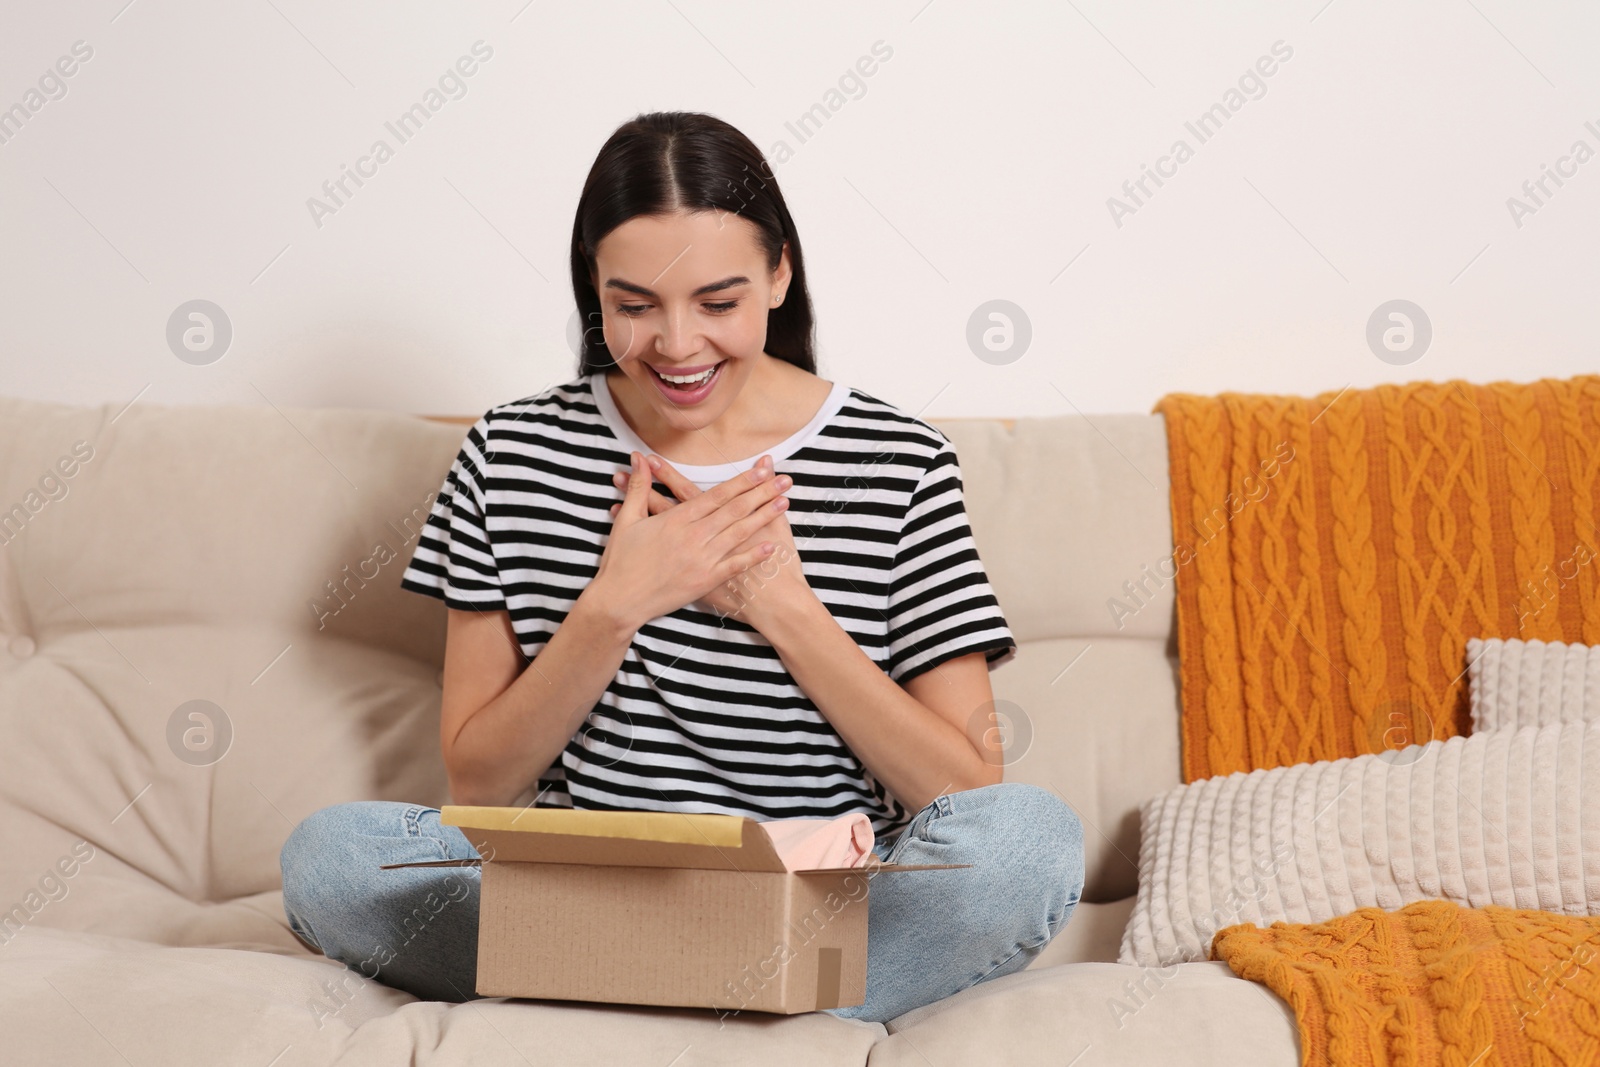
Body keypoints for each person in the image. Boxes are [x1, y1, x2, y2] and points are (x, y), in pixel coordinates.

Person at [279, 110, 1084, 1024]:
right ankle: (741, 995)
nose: (676, 345)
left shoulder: (899, 460)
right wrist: (613, 606)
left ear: (780, 274)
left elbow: (966, 785)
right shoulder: (507, 453)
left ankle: (646, 987)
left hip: (813, 899)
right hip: (583, 891)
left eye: (717, 302)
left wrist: (783, 607)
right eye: (634, 305)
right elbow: (481, 781)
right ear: (594, 287)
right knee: (331, 855)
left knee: (1029, 843)